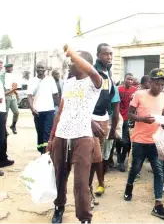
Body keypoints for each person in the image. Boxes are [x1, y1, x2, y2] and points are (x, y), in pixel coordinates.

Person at [47, 45, 102, 224]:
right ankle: (59, 207)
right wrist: (51, 138)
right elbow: (60, 112)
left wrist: (72, 54)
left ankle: (84, 218)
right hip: (62, 136)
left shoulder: (95, 82)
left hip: (83, 138)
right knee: (59, 176)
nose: (70, 64)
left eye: (73, 61)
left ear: (83, 63)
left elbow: (93, 72)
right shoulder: (68, 83)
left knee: (80, 182)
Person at [124, 68, 164, 220]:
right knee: (136, 167)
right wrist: (143, 119)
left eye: (162, 85)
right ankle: (129, 185)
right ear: (150, 82)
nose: (160, 87)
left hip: (155, 141)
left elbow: (163, 114)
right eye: (157, 84)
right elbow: (129, 114)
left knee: (158, 171)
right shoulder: (139, 94)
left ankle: (158, 204)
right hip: (139, 140)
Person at [89, 43, 120, 199]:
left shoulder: (108, 73)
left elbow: (113, 102)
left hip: (103, 119)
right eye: (106, 54)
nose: (109, 57)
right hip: (91, 120)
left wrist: (113, 127)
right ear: (98, 55)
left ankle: (100, 184)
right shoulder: (92, 72)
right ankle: (89, 188)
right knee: (94, 155)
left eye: (111, 54)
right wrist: (89, 119)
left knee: (98, 156)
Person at [27, 63, 60, 154]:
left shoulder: (50, 80)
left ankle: (45, 154)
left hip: (49, 111)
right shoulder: (32, 80)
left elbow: (56, 95)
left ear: (45, 69)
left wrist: (61, 108)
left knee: (47, 133)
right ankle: (41, 150)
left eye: (42, 67)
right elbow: (29, 95)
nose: (40, 69)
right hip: (37, 112)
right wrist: (32, 108)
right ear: (36, 69)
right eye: (38, 67)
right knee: (40, 133)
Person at [117, 73, 136, 172]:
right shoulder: (119, 89)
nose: (129, 81)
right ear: (124, 79)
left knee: (127, 143)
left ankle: (121, 161)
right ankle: (119, 161)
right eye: (128, 79)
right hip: (120, 118)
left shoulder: (134, 91)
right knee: (119, 141)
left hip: (129, 119)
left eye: (131, 80)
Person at [0, 76, 14, 169]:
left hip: (2, 110)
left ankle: (3, 158)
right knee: (1, 137)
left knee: (4, 136)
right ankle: (2, 160)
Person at [4, 64, 19, 135]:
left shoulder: (13, 75)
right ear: (6, 68)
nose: (11, 68)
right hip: (6, 95)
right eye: (10, 67)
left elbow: (13, 86)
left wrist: (16, 93)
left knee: (16, 112)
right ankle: (4, 129)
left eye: (12, 67)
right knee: (5, 114)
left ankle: (13, 125)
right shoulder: (3, 76)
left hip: (13, 95)